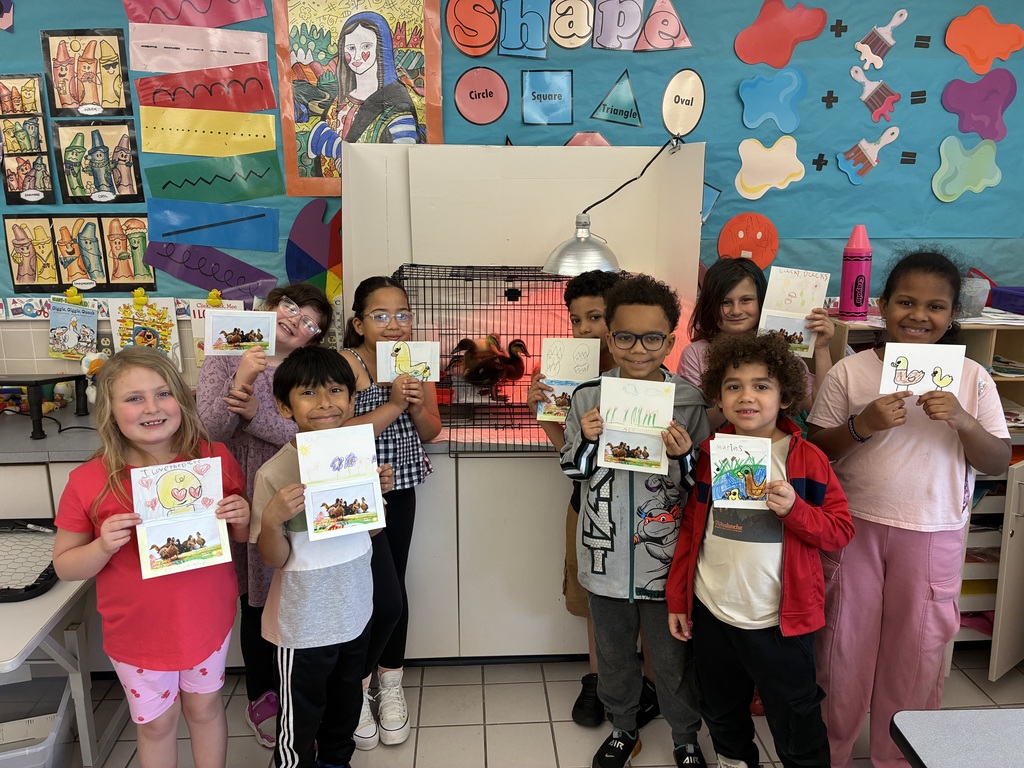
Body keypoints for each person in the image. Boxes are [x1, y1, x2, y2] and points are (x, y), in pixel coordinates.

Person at [807, 251, 1012, 768]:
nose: (919, 315)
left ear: (951, 317)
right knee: (842, 647)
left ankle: (901, 756)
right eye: (905, 301)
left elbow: (997, 460)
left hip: (933, 532)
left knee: (917, 654)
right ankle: (827, 750)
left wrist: (964, 422)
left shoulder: (972, 378)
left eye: (935, 306)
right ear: (881, 305)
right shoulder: (851, 372)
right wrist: (863, 424)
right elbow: (818, 450)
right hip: (853, 529)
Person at [52, 347, 251, 768]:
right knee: (157, 726)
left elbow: (243, 537)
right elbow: (66, 565)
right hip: (138, 635)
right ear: (109, 410)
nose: (151, 408)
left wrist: (242, 517)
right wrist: (102, 545)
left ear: (182, 398)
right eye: (133, 398)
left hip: (206, 622)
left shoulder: (213, 459)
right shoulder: (89, 481)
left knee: (205, 709)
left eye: (162, 393)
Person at [667, 331, 854, 768]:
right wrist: (679, 599)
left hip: (780, 621)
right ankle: (734, 761)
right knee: (721, 709)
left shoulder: (808, 459)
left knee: (796, 718)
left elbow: (840, 531)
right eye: (734, 386)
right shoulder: (711, 454)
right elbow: (693, 531)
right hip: (714, 613)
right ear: (719, 395)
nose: (746, 396)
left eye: (761, 385)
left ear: (785, 396)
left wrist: (795, 510)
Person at [560, 274, 711, 768]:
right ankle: (624, 726)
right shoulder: (586, 397)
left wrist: (686, 456)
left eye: (652, 338)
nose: (638, 349)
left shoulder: (687, 401)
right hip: (603, 554)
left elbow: (702, 487)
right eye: (625, 337)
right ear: (610, 339)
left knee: (670, 658)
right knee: (614, 654)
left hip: (663, 559)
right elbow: (572, 471)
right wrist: (585, 438)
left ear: (670, 340)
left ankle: (685, 736)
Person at [196, 283, 333, 749]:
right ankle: (264, 700)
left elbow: (313, 431)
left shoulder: (303, 370)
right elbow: (211, 428)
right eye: (291, 309)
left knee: (295, 586)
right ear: (270, 307)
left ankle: (306, 695)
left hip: (292, 487)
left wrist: (257, 412)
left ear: (312, 340)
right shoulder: (223, 354)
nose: (296, 322)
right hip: (235, 491)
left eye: (309, 323)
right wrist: (242, 379)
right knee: (253, 598)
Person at [527, 270, 661, 728]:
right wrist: (541, 409)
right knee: (593, 597)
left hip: (645, 508)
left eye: (596, 317)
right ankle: (598, 678)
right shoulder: (576, 380)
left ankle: (647, 684)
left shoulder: (650, 374)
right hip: (588, 504)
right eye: (576, 320)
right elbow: (565, 452)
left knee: (646, 598)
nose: (585, 329)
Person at [252, 346, 396, 768]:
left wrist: (377, 497)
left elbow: (369, 532)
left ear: (352, 400)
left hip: (354, 611)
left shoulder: (357, 460)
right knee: (301, 713)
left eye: (336, 390)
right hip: (304, 624)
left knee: (346, 703)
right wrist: (274, 520)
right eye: (308, 393)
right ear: (284, 406)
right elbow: (273, 559)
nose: (325, 403)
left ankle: (337, 761)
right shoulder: (274, 473)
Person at [340, 276, 441, 749]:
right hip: (348, 495)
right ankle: (355, 688)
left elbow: (429, 431)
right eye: (380, 316)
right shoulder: (345, 364)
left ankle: (391, 681)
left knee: (394, 584)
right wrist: (394, 402)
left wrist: (416, 404)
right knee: (358, 588)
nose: (394, 324)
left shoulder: (416, 362)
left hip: (398, 488)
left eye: (403, 314)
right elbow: (331, 432)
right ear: (358, 323)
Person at [680, 257, 835, 431]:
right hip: (718, 451)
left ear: (762, 301)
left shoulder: (779, 347)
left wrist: (822, 347)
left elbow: (819, 408)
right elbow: (695, 425)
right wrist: (732, 399)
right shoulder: (695, 354)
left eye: (746, 300)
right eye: (725, 302)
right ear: (710, 306)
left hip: (774, 450)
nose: (736, 310)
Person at [307, 11, 422, 177]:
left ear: (381, 48)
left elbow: (403, 165)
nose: (357, 56)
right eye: (351, 48)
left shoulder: (397, 103)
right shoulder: (339, 102)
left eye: (366, 46)